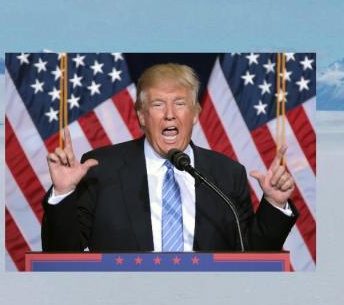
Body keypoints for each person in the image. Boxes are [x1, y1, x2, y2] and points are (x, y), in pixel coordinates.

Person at [41, 63, 297, 252]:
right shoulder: (101, 169)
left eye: (180, 103)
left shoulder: (228, 174)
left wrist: (274, 204)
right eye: (158, 104)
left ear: (195, 114)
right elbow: (61, 256)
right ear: (142, 116)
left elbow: (250, 256)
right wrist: (63, 193)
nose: (170, 115)